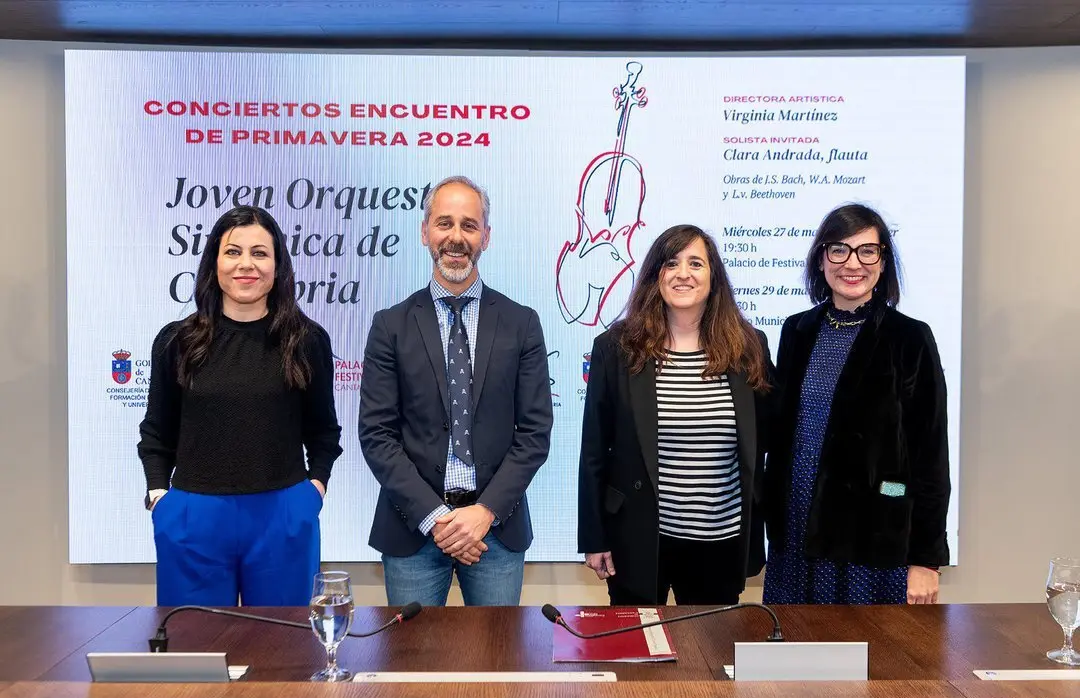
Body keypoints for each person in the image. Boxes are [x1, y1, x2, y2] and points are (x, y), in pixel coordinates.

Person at [358, 175, 553, 607]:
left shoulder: (522, 324)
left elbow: (535, 433)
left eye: (469, 225)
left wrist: (484, 513)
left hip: (495, 531)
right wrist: (436, 519)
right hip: (412, 528)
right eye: (444, 223)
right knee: (411, 651)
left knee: (496, 650)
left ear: (486, 236)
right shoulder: (390, 326)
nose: (456, 237)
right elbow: (376, 435)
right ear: (425, 231)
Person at [138, 205, 343, 607]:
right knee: (194, 639)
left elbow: (324, 431)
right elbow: (156, 432)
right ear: (214, 262)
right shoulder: (176, 341)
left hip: (283, 513)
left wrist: (313, 492)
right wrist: (160, 496)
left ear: (277, 266)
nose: (246, 264)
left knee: (283, 638)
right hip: (193, 517)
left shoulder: (306, 341)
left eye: (259, 253)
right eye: (233, 252)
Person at [762, 203, 950, 605]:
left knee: (868, 646)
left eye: (867, 251)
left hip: (872, 536)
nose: (852, 263)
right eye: (839, 250)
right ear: (821, 259)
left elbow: (930, 456)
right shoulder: (797, 330)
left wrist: (926, 559)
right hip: (796, 532)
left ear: (883, 262)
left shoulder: (910, 338)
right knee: (794, 642)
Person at [577, 224, 774, 606]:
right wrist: (594, 537)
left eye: (696, 263)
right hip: (637, 537)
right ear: (656, 276)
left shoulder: (749, 347)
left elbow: (766, 436)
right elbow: (594, 451)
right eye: (671, 263)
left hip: (720, 540)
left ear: (713, 278)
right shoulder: (616, 348)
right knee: (638, 640)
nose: (683, 273)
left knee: (709, 642)